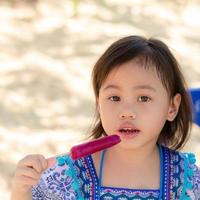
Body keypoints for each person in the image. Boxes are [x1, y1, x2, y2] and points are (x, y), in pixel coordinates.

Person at [11, 35, 200, 200]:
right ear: (99, 103)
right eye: (114, 98)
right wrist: (21, 190)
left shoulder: (188, 179)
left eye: (144, 98)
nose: (127, 111)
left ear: (172, 107)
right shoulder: (67, 174)